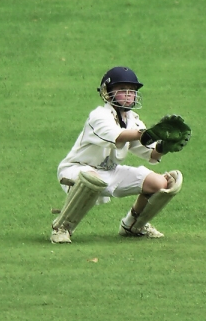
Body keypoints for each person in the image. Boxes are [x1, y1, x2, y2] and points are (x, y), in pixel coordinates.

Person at [50, 67, 184, 244]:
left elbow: (150, 153)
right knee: (92, 179)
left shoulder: (133, 119)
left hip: (109, 171)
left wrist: (164, 145)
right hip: (76, 169)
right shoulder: (99, 115)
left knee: (163, 183)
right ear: (107, 92)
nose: (128, 94)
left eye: (132, 90)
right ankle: (61, 228)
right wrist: (149, 133)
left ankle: (133, 225)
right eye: (122, 90)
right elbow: (119, 136)